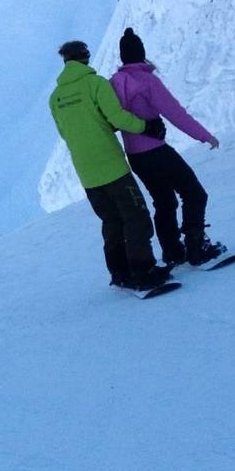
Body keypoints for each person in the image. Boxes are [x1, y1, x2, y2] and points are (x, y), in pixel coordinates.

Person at [49, 39, 174, 291]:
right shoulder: (95, 84)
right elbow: (116, 117)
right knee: (136, 216)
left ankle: (120, 273)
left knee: (112, 221)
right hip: (111, 165)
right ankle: (143, 271)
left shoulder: (56, 98)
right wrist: (147, 126)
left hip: (87, 173)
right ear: (85, 56)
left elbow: (65, 133)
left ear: (65, 60)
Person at [110, 28, 226, 267]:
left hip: (136, 157)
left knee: (164, 201)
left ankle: (173, 251)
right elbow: (175, 113)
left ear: (123, 57)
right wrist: (204, 136)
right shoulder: (147, 80)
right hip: (156, 150)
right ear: (141, 53)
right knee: (194, 192)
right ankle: (196, 246)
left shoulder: (113, 83)